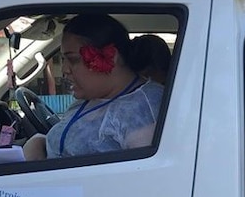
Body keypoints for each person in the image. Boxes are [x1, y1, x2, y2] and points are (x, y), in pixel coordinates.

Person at [23, 14, 164, 160]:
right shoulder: (91, 98)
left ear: (110, 56)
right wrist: (36, 143)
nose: (65, 69)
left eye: (73, 59)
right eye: (64, 60)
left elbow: (141, 175)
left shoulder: (143, 109)